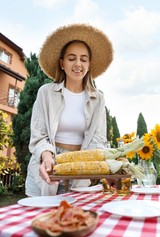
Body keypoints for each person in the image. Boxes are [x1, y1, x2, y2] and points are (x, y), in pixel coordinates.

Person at [25, 23, 113, 196]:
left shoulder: (98, 99)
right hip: (46, 165)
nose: (78, 64)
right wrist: (47, 157)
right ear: (62, 63)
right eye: (72, 58)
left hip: (81, 167)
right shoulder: (46, 93)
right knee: (41, 219)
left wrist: (104, 164)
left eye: (83, 59)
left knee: (76, 218)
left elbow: (98, 138)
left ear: (89, 64)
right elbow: (38, 135)